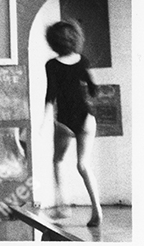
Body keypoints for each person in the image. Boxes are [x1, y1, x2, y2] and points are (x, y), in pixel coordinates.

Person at [43, 18, 103, 227]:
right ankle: (97, 209)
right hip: (86, 117)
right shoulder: (83, 60)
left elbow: (50, 95)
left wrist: (44, 121)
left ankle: (62, 206)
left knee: (58, 161)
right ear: (75, 39)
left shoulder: (51, 65)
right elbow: (94, 89)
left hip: (66, 120)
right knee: (83, 165)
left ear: (53, 42)